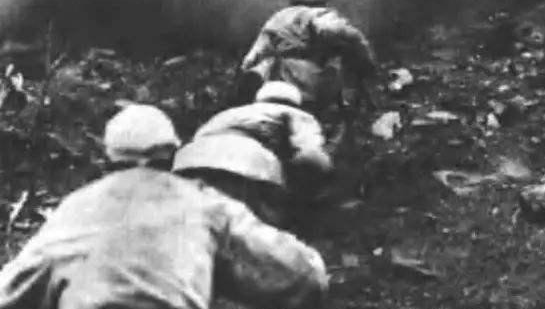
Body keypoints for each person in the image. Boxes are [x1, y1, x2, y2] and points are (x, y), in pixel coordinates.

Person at [0, 104, 327, 309]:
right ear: (173, 156)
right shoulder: (204, 204)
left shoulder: (75, 209)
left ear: (106, 159)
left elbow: (10, 291)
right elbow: (304, 275)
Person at [190, 81, 334, 225]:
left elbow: (197, 138)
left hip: (190, 163)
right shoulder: (296, 114)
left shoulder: (227, 114)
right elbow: (311, 155)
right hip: (245, 165)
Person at [239, 0, 378, 124]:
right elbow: (342, 33)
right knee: (320, 112)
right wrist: (366, 59)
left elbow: (259, 48)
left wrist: (248, 66)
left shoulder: (278, 17)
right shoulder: (319, 14)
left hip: (280, 73)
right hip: (313, 72)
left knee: (283, 111)